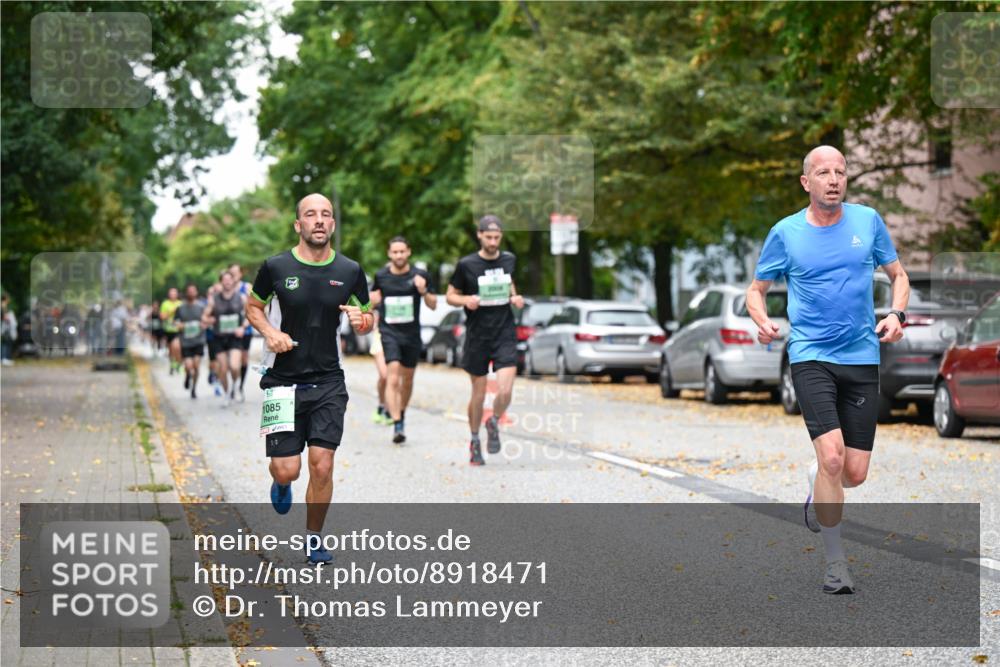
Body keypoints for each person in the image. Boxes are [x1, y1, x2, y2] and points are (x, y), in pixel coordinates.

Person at [746, 145, 909, 595]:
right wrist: (761, 321)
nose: (834, 179)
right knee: (832, 456)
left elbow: (899, 276)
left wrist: (896, 315)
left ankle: (819, 481)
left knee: (853, 472)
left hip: (861, 356)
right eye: (823, 172)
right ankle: (836, 563)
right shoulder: (786, 232)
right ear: (807, 182)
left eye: (840, 171)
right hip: (810, 354)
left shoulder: (867, 221)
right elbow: (755, 290)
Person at [245, 193, 373, 565]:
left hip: (328, 380)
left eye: (326, 215)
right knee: (288, 469)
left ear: (332, 225)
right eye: (310, 215)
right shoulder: (275, 267)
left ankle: (313, 538)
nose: (319, 220)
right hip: (280, 380)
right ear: (298, 225)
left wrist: (364, 321)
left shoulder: (349, 271)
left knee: (322, 463)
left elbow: (366, 317)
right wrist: (270, 332)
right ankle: (280, 482)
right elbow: (253, 307)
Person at [445, 215, 524, 465]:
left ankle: (494, 419)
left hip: (504, 333)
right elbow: (450, 295)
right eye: (488, 237)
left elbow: (510, 283)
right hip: (478, 335)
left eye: (497, 237)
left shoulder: (509, 259)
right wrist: (465, 300)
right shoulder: (467, 264)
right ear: (479, 235)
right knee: (478, 393)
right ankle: (474, 439)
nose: (492, 241)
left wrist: (516, 298)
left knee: (506, 389)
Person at [369, 236, 437, 443]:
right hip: (389, 333)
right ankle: (396, 422)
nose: (398, 255)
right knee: (393, 375)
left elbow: (433, 304)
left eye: (402, 251)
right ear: (389, 254)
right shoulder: (381, 276)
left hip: (411, 335)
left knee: (407, 380)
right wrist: (372, 302)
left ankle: (402, 413)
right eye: (394, 252)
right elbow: (371, 302)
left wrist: (423, 290)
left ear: (408, 252)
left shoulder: (420, 275)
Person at [202, 270, 248, 407]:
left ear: (233, 281)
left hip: (235, 336)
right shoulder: (214, 299)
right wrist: (209, 319)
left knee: (234, 366)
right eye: (224, 279)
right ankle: (227, 393)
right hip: (219, 337)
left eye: (230, 279)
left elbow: (250, 316)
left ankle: (235, 386)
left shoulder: (241, 297)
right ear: (221, 282)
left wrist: (243, 327)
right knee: (223, 368)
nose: (227, 282)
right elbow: (204, 316)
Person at [176, 283, 207, 399]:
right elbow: (175, 322)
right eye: (189, 291)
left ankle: (194, 388)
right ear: (186, 293)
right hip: (186, 341)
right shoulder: (180, 308)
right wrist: (180, 325)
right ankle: (188, 374)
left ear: (196, 293)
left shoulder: (201, 307)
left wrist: (204, 324)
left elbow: (206, 320)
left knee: (196, 366)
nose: (191, 293)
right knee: (189, 366)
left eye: (193, 291)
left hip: (198, 340)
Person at [229, 263, 255, 399]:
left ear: (240, 274)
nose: (233, 275)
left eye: (235, 273)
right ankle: (233, 384)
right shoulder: (226, 288)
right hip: (230, 330)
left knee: (244, 359)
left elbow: (254, 305)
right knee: (233, 360)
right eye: (231, 272)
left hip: (246, 328)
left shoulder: (247, 287)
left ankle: (240, 386)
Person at [369, 312, 392, 425]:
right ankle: (381, 405)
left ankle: (389, 409)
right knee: (384, 376)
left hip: (396, 336)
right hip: (380, 336)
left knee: (392, 377)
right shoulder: (376, 294)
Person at [160, 288, 183, 373]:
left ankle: (179, 363)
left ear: (177, 294)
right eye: (171, 293)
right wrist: (172, 311)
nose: (173, 295)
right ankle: (172, 363)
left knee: (177, 347)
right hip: (168, 329)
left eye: (174, 293)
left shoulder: (180, 303)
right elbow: (162, 317)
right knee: (170, 349)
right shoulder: (165, 304)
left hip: (177, 330)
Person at [1, 295, 17, 366]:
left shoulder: (4, 306)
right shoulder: (2, 306)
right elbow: (4, 317)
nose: (9, 300)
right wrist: (9, 318)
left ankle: (5, 358)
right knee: (5, 342)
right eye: (8, 298)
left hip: (5, 327)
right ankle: (3, 358)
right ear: (6, 299)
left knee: (6, 342)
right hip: (3, 328)